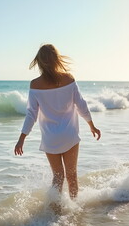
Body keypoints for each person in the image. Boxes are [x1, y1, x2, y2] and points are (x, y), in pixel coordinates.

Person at [14, 44, 101, 200]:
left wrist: (21, 139)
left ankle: (54, 212)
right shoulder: (69, 79)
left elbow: (31, 115)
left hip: (50, 138)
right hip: (70, 135)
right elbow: (81, 105)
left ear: (39, 62)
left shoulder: (35, 85)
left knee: (58, 177)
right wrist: (91, 125)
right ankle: (73, 210)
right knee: (72, 175)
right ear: (57, 59)